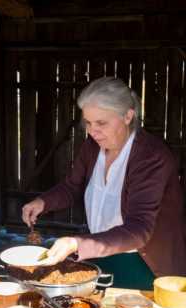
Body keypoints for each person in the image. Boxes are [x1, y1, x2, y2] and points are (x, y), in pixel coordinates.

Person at [22, 76, 186, 290]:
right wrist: (43, 202)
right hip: (98, 254)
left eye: (101, 123)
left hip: (144, 264)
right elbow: (73, 186)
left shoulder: (151, 156)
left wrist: (77, 243)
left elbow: (139, 229)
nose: (92, 131)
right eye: (88, 123)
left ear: (128, 116)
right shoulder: (93, 146)